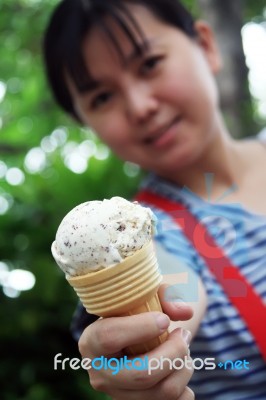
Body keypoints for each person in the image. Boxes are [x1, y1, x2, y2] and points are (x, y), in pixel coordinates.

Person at [43, 0, 266, 399]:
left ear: (206, 46)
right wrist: (140, 346)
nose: (140, 106)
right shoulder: (141, 235)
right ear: (87, 124)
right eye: (102, 98)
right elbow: (172, 290)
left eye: (149, 64)